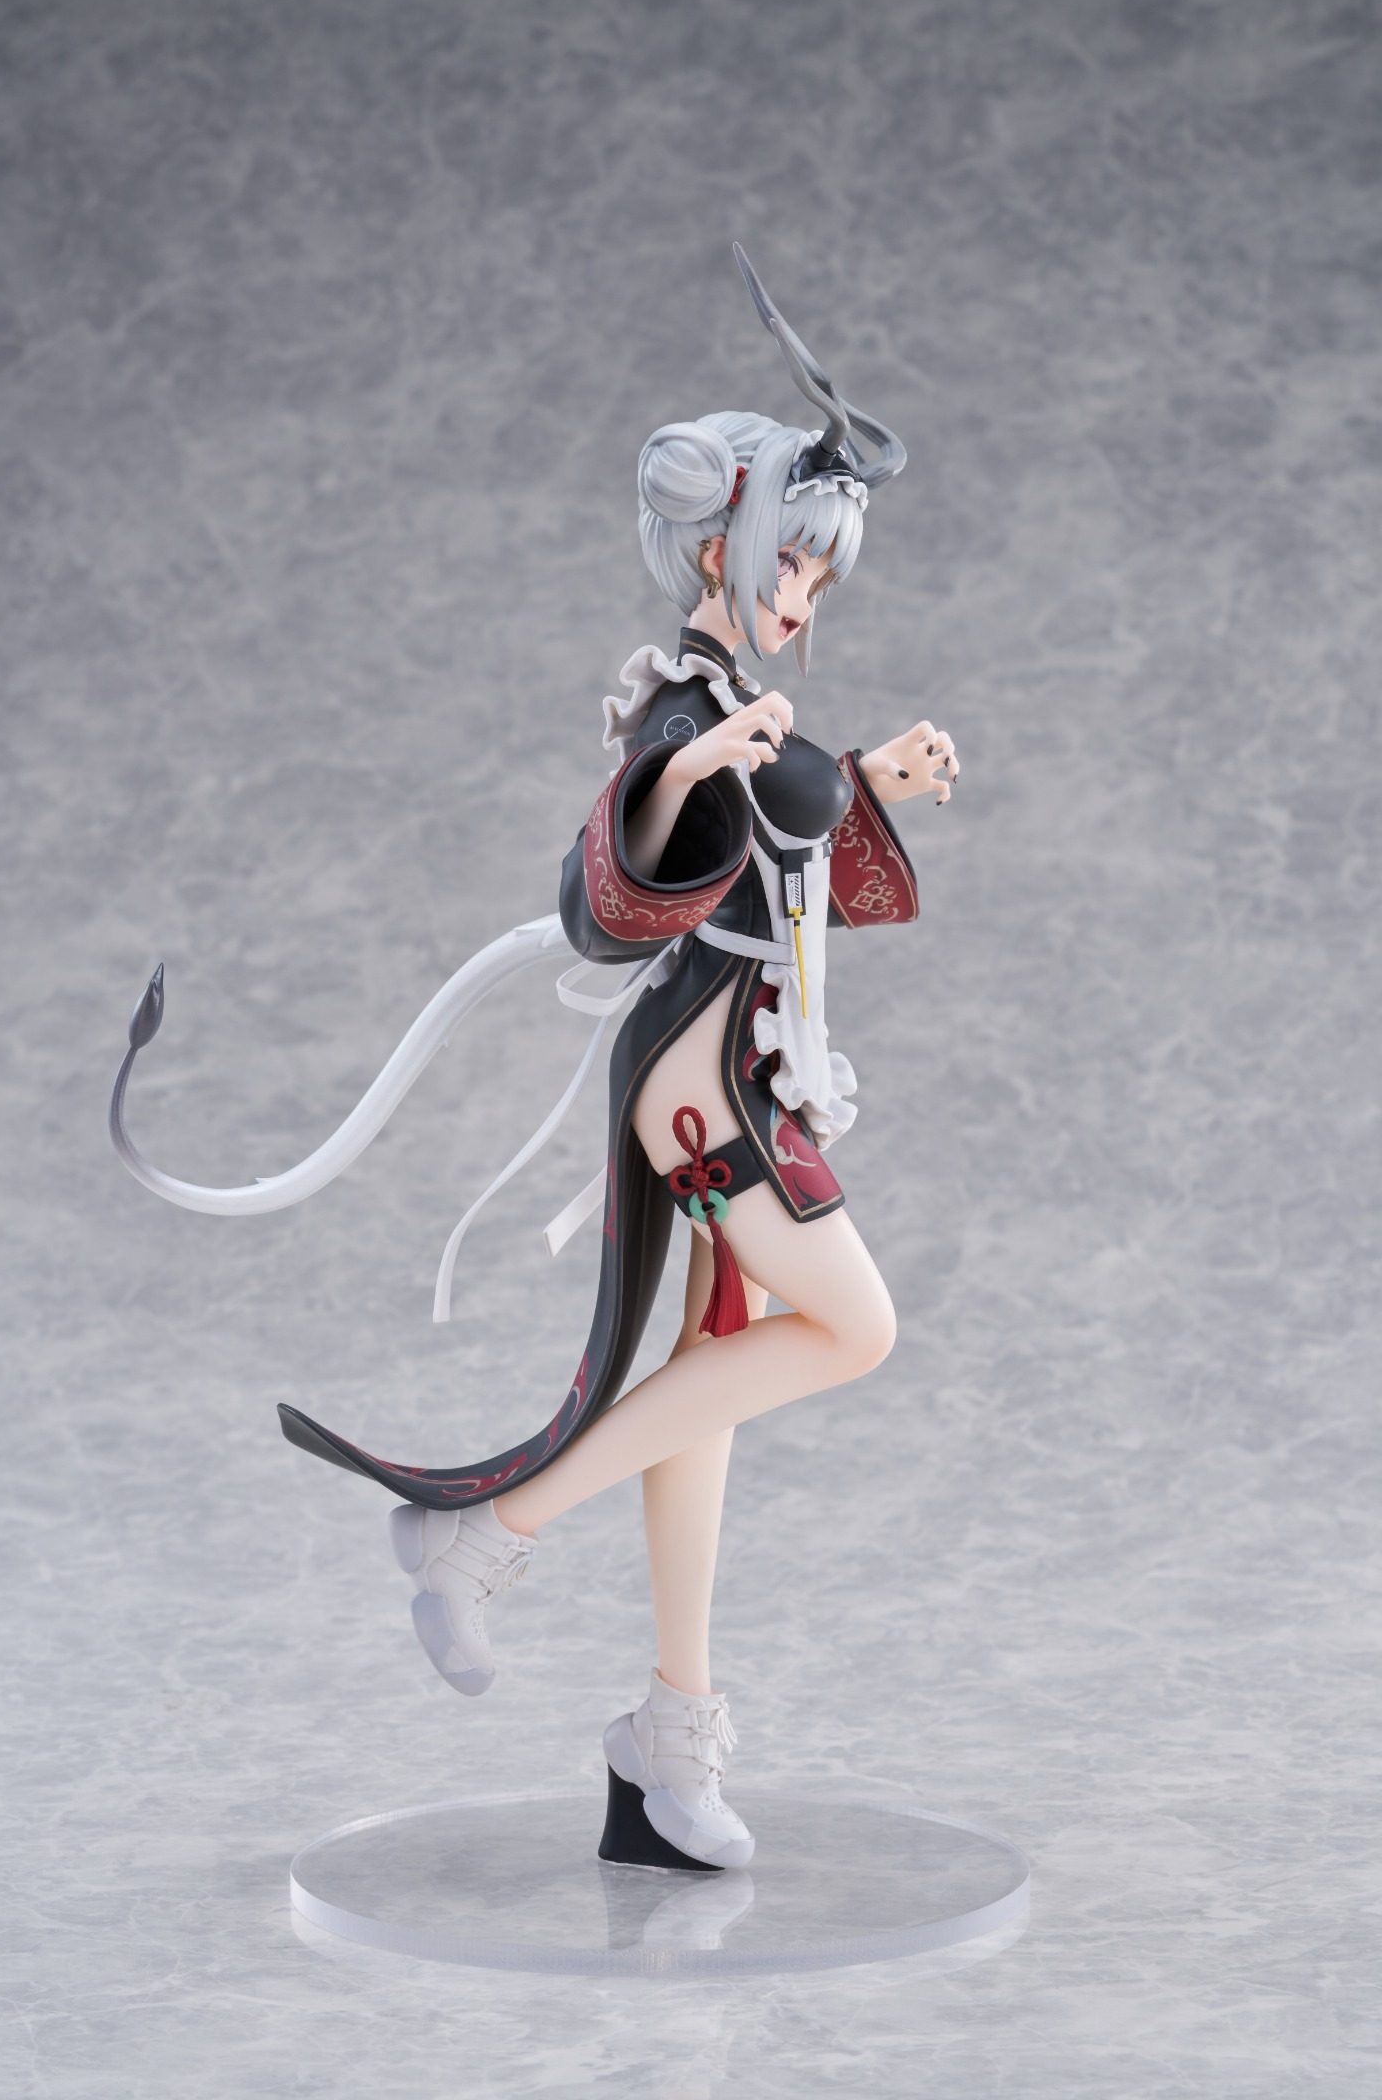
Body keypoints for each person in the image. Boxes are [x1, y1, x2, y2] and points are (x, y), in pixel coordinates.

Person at [112, 247, 958, 1872]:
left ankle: (667, 1740)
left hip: (746, 1055)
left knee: (711, 1377)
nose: (801, 594)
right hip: (701, 1071)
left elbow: (777, 850)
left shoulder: (745, 701)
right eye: (788, 559)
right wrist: (694, 771)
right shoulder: (683, 702)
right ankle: (485, 1534)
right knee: (854, 1326)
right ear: (715, 545)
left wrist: (865, 783)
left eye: (820, 575)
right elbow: (622, 878)